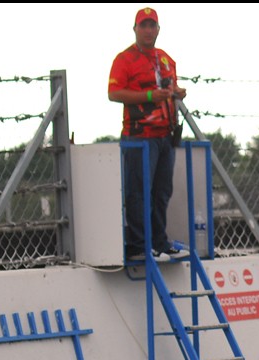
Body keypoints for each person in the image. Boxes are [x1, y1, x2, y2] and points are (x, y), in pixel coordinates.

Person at [108, 7, 188, 262]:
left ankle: (159, 242)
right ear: (135, 29)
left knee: (162, 191)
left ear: (158, 29)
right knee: (138, 191)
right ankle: (138, 245)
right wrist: (150, 96)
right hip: (139, 136)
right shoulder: (124, 59)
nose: (148, 30)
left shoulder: (166, 58)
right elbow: (114, 93)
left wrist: (176, 93)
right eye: (143, 25)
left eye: (152, 25)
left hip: (166, 135)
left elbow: (169, 88)